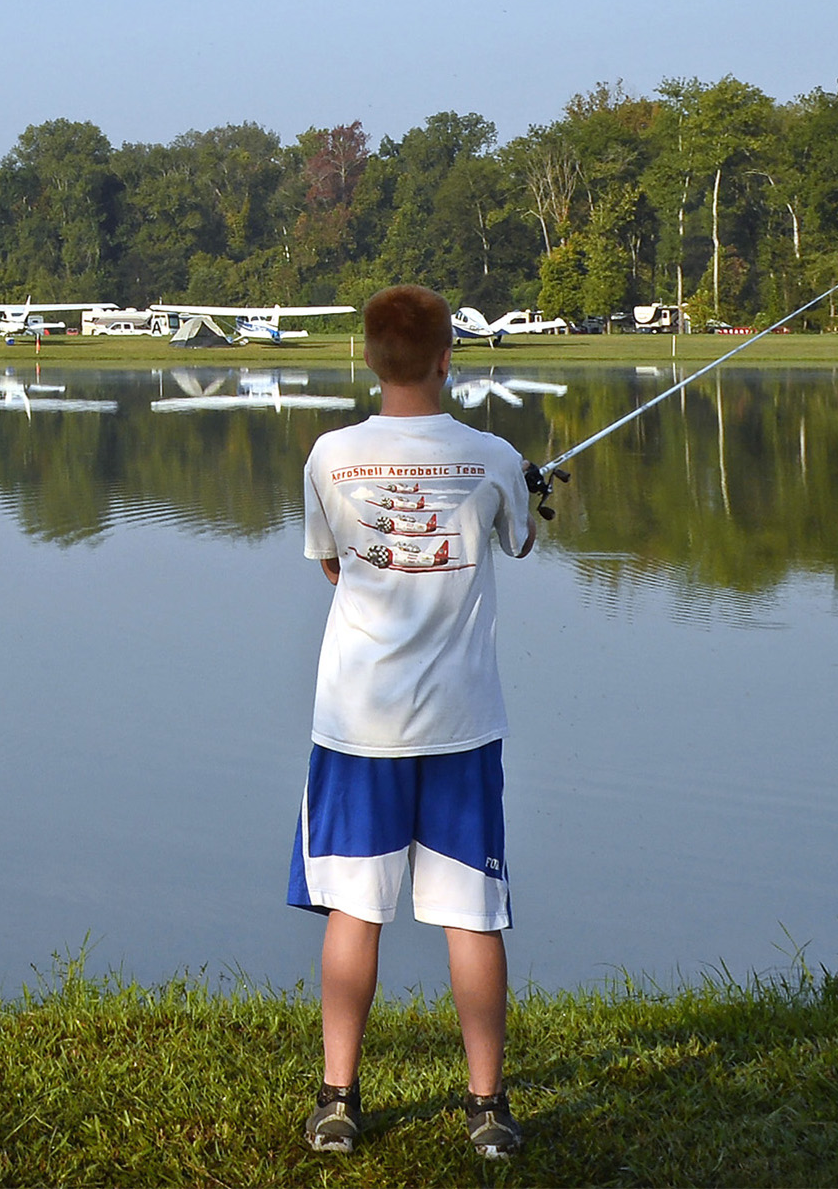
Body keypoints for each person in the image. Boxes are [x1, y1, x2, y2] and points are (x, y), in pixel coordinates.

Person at [291, 283, 532, 1159]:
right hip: (463, 723)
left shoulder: (329, 453)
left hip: (358, 727)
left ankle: (338, 1101)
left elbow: (331, 564)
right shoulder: (494, 453)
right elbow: (522, 538)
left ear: (369, 357)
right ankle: (487, 1110)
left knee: (355, 912)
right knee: (472, 914)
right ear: (446, 356)